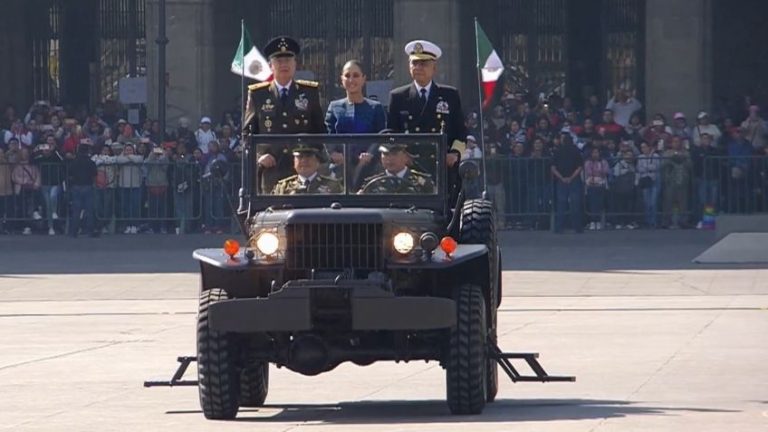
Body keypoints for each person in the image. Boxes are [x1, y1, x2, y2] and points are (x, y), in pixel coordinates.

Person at [242, 36, 325, 193]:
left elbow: (319, 130)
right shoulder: (258, 94)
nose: (284, 65)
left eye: (288, 60)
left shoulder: (309, 92)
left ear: (295, 64)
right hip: (272, 168)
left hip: (303, 168)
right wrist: (260, 155)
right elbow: (247, 134)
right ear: (270, 65)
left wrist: (315, 158)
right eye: (279, 61)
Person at [386, 40, 465, 200]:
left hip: (441, 166)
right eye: (414, 63)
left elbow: (460, 132)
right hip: (410, 168)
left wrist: (454, 154)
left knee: (450, 211)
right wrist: (400, 155)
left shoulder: (449, 95)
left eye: (423, 64)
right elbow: (391, 133)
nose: (418, 68)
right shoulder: (398, 96)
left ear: (434, 67)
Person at [325, 59, 386, 134]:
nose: (351, 80)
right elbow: (329, 140)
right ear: (342, 79)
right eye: (347, 76)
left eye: (356, 75)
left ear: (363, 78)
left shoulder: (376, 108)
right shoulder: (334, 107)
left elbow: (382, 139)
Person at [357, 142, 435, 194]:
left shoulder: (422, 183)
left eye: (394, 154)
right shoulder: (372, 183)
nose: (389, 159)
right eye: (385, 154)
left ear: (406, 157)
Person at [272, 143, 342, 195]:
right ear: (294, 162)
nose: (304, 161)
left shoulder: (333, 186)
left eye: (308, 156)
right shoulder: (283, 187)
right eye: (300, 157)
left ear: (318, 161)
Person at [550, 133, 584, 233]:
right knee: (575, 203)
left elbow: (553, 167)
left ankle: (559, 227)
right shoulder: (576, 151)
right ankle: (577, 227)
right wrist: (571, 177)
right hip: (574, 179)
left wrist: (561, 178)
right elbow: (579, 167)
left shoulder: (557, 151)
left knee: (561, 204)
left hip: (562, 180)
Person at [66, 142, 98, 237]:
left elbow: (69, 174)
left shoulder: (74, 162)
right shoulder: (90, 162)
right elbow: (94, 174)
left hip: (76, 186)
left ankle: (73, 231)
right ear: (87, 151)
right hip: (88, 185)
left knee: (76, 210)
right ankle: (89, 231)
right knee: (89, 210)